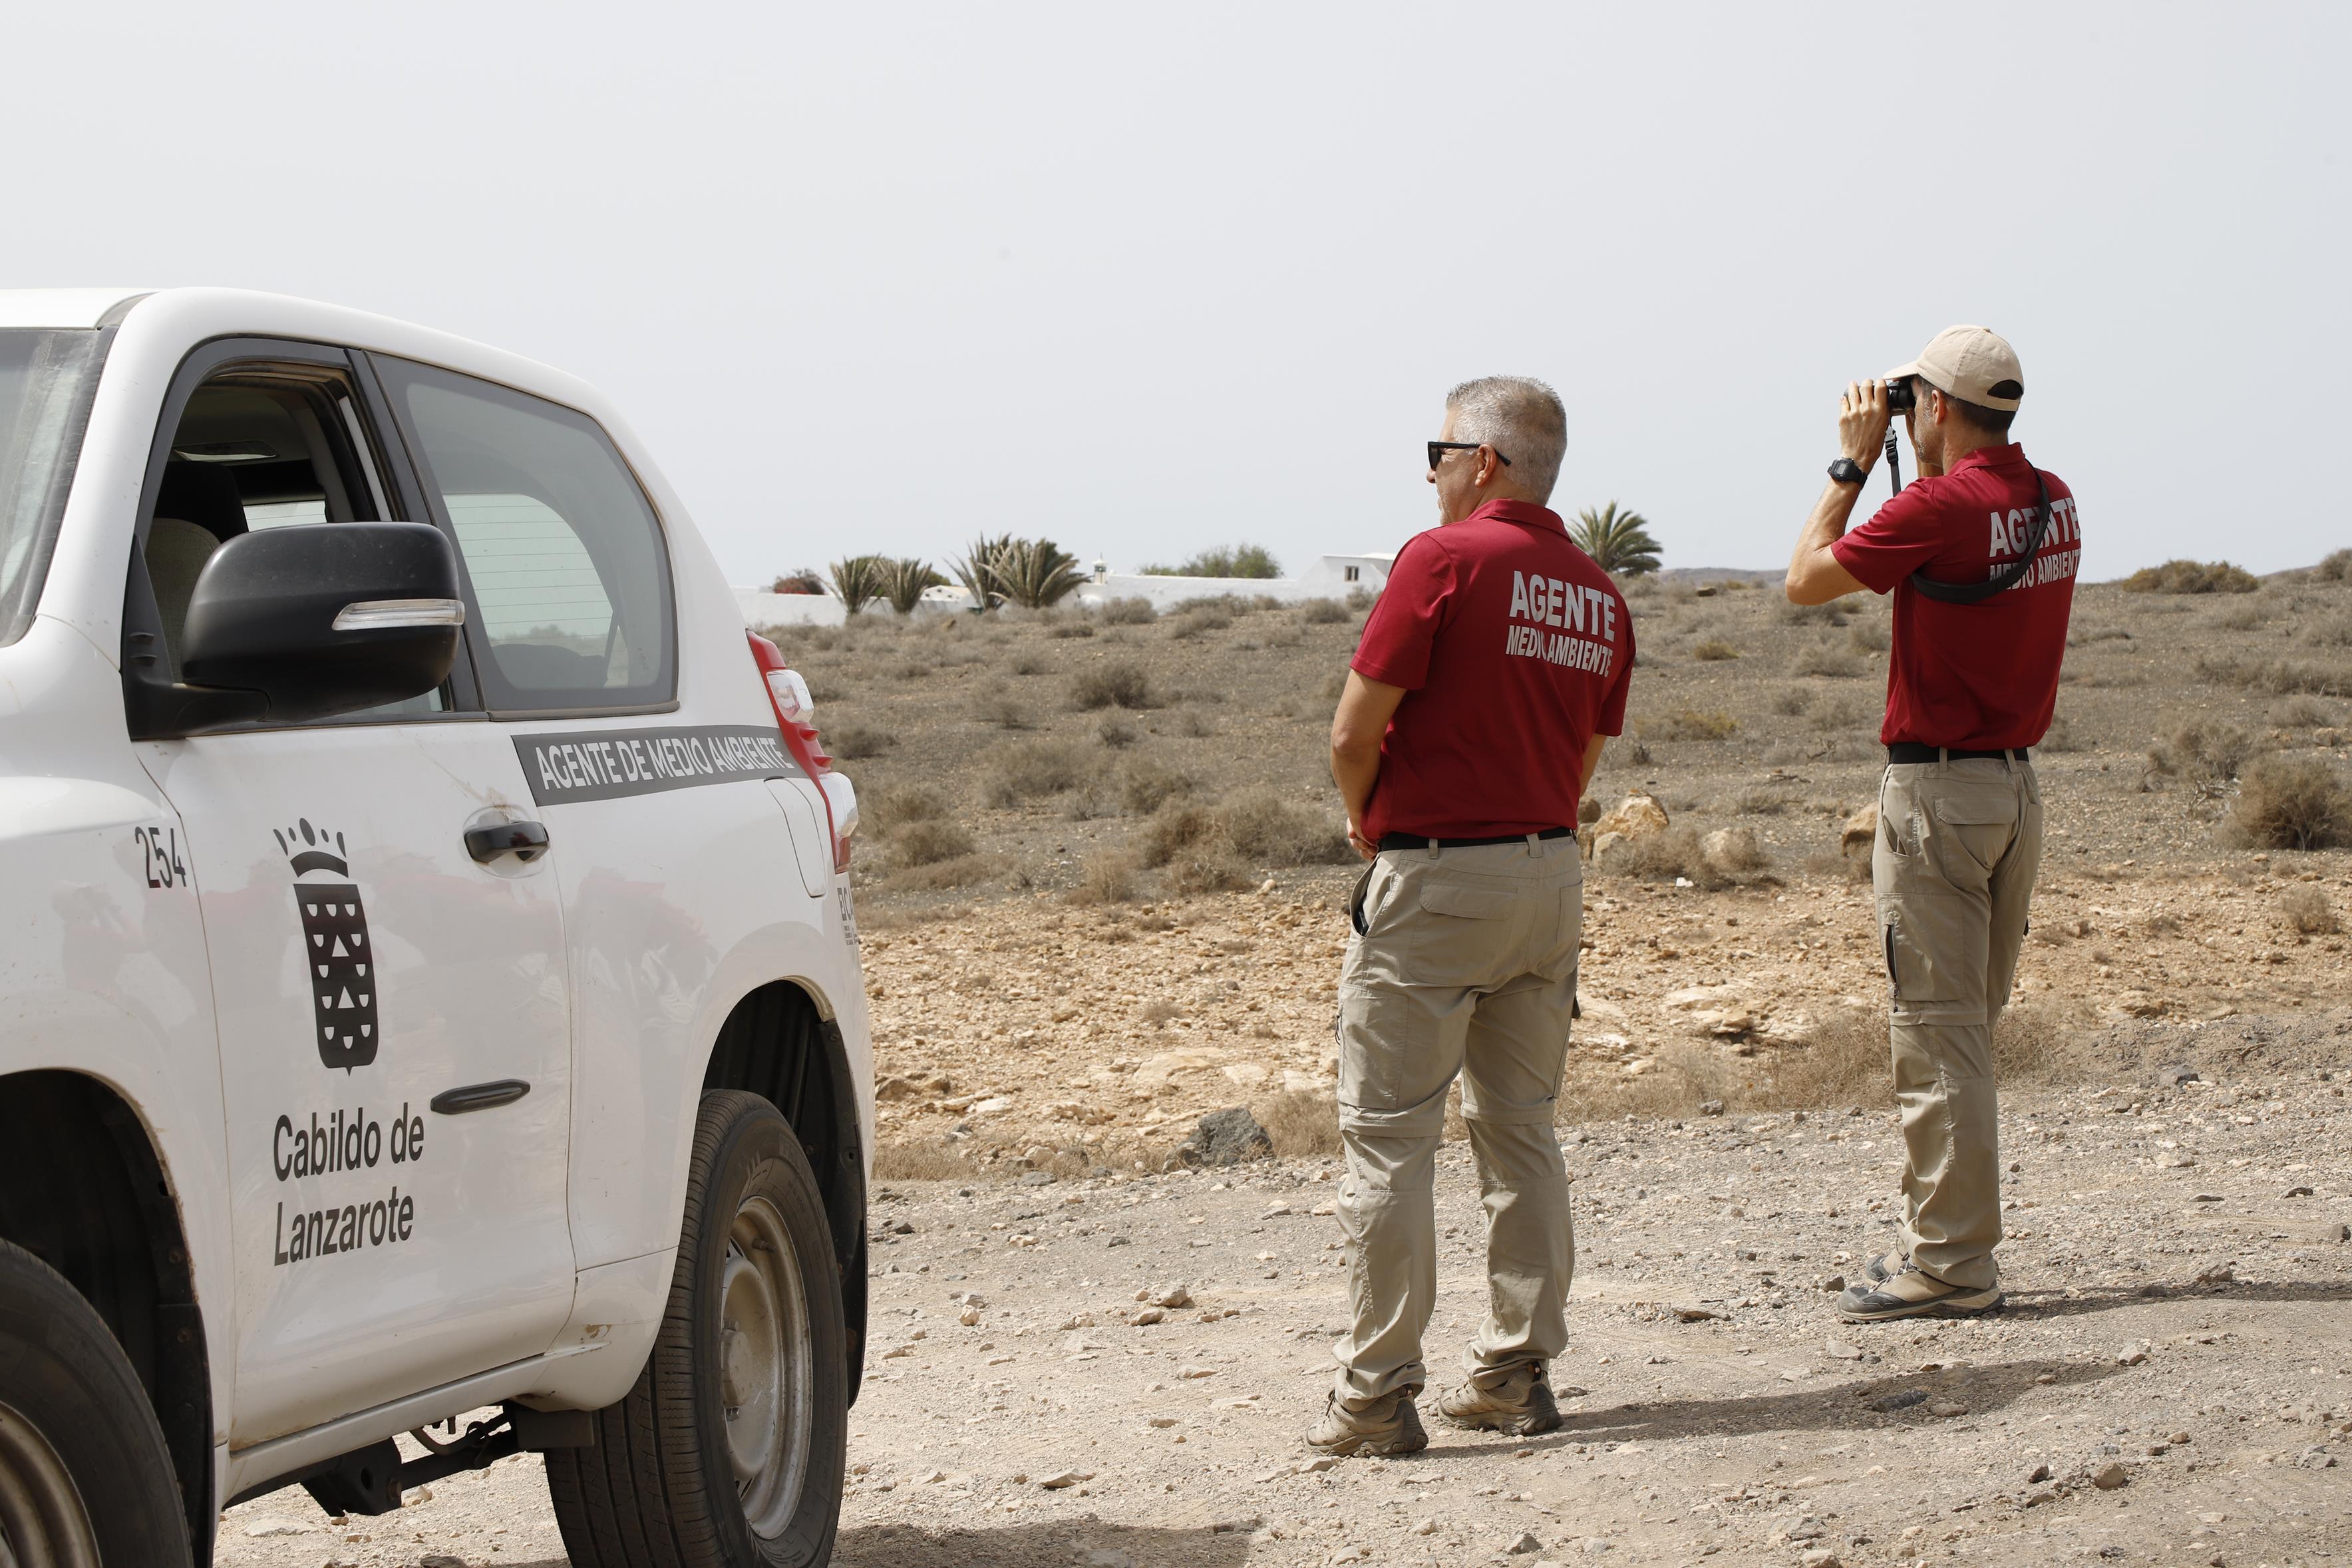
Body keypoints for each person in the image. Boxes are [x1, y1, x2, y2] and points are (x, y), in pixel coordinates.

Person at [1311, 376, 1634, 1456]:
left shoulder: (1440, 560)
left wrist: (1368, 821)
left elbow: (1355, 730)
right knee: (1520, 1126)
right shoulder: (1600, 595)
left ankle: (1375, 1393)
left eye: (1440, 449)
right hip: (1547, 879)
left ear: (1485, 459)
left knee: (1391, 1139)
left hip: (1439, 878)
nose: (1434, 469)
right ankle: (1516, 1368)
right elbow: (1585, 760)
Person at [1784, 325, 2081, 1323]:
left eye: (1916, 401)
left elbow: (1807, 578)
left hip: (1940, 797)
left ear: (1940, 408)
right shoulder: (2053, 501)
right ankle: (1948, 1240)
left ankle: (1953, 1264)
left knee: (1937, 1031)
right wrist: (1917, 461)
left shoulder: (1938, 508)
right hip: (2016, 791)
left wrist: (1854, 464)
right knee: (1968, 1030)